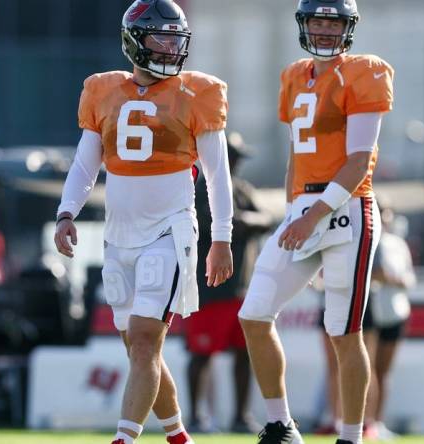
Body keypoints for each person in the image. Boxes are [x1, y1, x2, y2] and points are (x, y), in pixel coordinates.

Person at [53, 2, 234, 443]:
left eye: (177, 38)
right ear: (134, 39)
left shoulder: (197, 93)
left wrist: (222, 237)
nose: (172, 47)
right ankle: (178, 437)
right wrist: (65, 213)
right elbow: (84, 163)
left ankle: (124, 439)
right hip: (119, 235)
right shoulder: (103, 90)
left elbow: (217, 172)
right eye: (161, 37)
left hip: (169, 230)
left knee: (146, 340)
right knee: (138, 348)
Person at [237, 1, 394, 443]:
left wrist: (313, 217)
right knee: (254, 314)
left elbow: (360, 161)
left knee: (343, 332)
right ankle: (281, 424)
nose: (325, 30)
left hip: (347, 209)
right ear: (304, 24)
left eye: (334, 22)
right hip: (303, 208)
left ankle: (350, 436)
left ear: (348, 28)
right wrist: (293, 210)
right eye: (318, 21)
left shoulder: (365, 71)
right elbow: (296, 155)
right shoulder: (293, 76)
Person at [185, 132, 271, 434]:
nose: (236, 164)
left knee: (243, 355)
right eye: (233, 157)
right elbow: (207, 224)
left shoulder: (242, 189)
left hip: (241, 287)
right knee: (201, 354)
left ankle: (241, 417)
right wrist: (243, 222)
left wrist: (243, 221)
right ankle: (196, 416)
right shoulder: (199, 187)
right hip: (209, 288)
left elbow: (266, 219)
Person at [362, 207, 415, 441]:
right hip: (371, 312)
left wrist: (392, 279)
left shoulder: (397, 245)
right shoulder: (366, 241)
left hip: (394, 313)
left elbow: (409, 278)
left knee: (383, 372)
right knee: (368, 370)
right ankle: (365, 421)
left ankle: (378, 422)